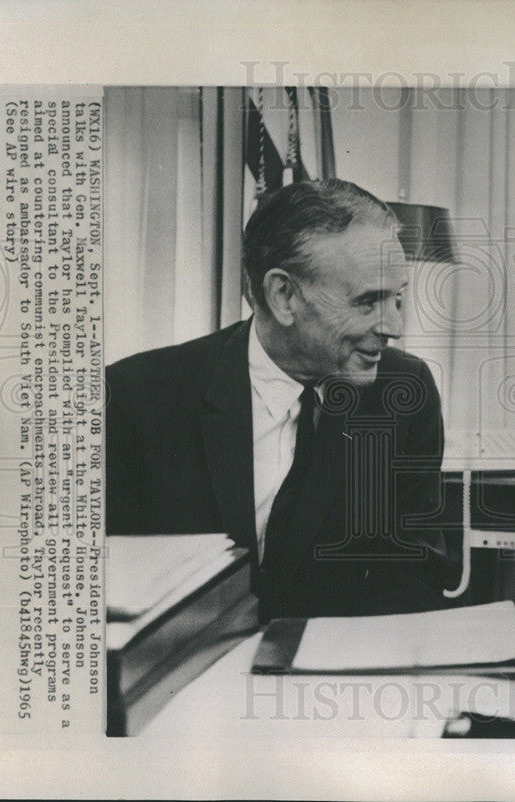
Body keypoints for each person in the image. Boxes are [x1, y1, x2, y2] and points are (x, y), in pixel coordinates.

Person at [106, 179, 448, 620]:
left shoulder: (405, 393)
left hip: (337, 678)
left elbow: (414, 580)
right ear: (284, 296)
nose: (394, 326)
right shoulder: (140, 398)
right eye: (368, 302)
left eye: (397, 298)